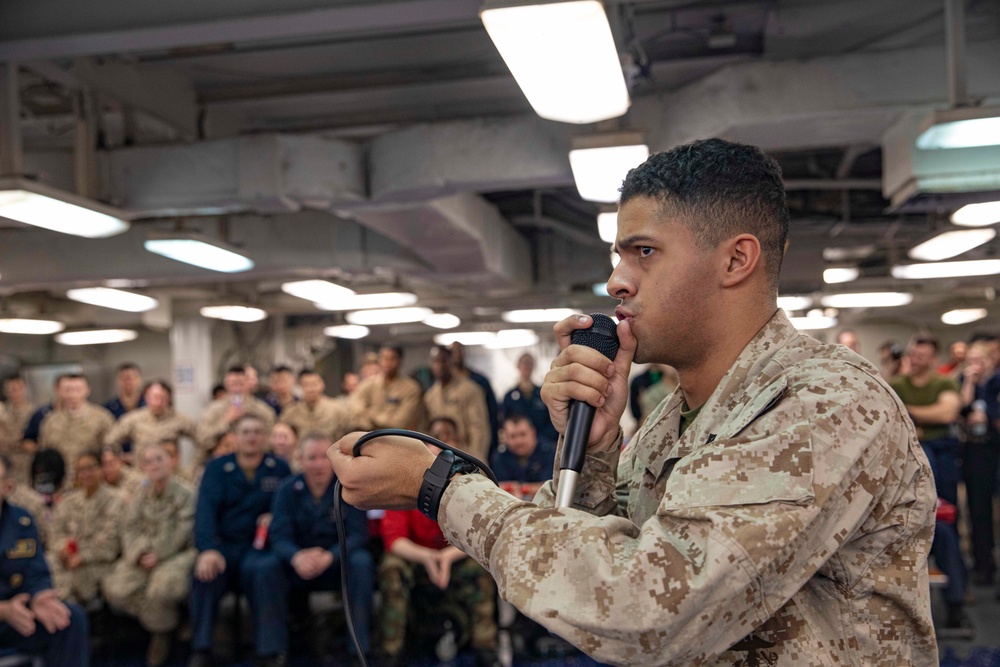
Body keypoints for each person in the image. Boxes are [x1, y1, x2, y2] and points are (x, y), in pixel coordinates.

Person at [330, 138, 937, 666]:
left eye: (643, 251)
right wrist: (593, 451)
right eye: (619, 256)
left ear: (735, 259)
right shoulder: (672, 421)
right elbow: (582, 587)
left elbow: (647, 609)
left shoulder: (823, 402)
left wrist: (440, 486)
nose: (617, 280)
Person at [377, 418, 499, 667]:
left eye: (448, 441)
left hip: (455, 555)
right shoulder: (404, 482)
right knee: (391, 568)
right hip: (416, 557)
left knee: (482, 568)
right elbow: (394, 539)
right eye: (435, 441)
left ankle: (486, 648)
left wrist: (445, 557)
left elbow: (481, 534)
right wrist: (429, 558)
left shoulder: (474, 481)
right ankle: (390, 651)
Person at [254, 433, 374, 660]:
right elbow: (278, 535)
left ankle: (358, 650)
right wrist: (296, 556)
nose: (319, 464)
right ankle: (272, 653)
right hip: (299, 565)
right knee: (266, 567)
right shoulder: (287, 489)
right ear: (300, 460)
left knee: (362, 562)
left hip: (337, 564)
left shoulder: (348, 488)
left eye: (323, 457)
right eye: (311, 458)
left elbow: (359, 534)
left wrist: (330, 556)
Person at [189, 414, 292, 667]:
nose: (251, 437)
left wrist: (274, 516)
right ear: (235, 437)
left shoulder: (279, 468)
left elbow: (289, 511)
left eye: (257, 431)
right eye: (245, 432)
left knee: (266, 571)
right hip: (224, 547)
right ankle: (201, 648)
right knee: (203, 575)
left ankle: (271, 651)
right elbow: (204, 513)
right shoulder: (216, 468)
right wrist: (207, 549)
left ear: (265, 437)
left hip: (261, 548)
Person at [889, 333, 970, 634]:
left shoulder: (943, 383)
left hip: (942, 461)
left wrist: (908, 413)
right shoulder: (896, 384)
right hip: (905, 465)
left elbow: (948, 411)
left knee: (944, 528)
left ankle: (956, 603)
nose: (917, 359)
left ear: (932, 358)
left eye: (923, 356)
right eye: (914, 354)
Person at [103, 442, 197, 667]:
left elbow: (184, 531)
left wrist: (159, 554)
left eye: (160, 459)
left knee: (161, 587)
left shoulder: (186, 493)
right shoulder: (140, 493)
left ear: (172, 461)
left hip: (179, 553)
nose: (154, 465)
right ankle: (166, 622)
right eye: (148, 461)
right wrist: (139, 554)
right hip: (143, 554)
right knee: (115, 588)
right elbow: (129, 527)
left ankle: (161, 636)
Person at [0, 454, 90, 666]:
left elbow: (35, 570)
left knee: (69, 619)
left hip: (17, 615)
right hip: (7, 612)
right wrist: (4, 610)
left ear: (7, 487)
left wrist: (39, 595)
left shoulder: (21, 521)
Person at [48, 450, 124, 604]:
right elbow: (55, 532)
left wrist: (83, 556)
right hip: (68, 558)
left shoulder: (116, 500)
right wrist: (63, 549)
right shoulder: (68, 501)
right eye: (81, 470)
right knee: (47, 562)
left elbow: (110, 543)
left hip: (100, 562)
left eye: (90, 468)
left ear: (101, 469)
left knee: (78, 578)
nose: (86, 474)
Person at [959, 341, 999, 587]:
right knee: (978, 511)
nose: (976, 364)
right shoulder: (965, 383)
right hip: (975, 450)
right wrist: (969, 382)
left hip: (995, 448)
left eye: (980, 359)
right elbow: (961, 409)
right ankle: (983, 566)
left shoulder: (996, 383)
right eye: (971, 359)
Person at [27, 373, 115, 483]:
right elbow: (45, 453)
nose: (73, 394)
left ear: (87, 390)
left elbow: (111, 452)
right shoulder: (50, 421)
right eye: (68, 390)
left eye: (77, 389)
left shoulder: (102, 418)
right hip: (60, 481)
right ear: (60, 391)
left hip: (91, 480)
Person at [424, 346, 490, 463]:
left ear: (451, 362)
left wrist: (476, 460)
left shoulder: (470, 390)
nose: (439, 366)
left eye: (443, 361)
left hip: (465, 453)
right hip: (438, 457)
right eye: (435, 361)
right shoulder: (430, 396)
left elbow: (478, 429)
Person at [196, 366, 275, 460]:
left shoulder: (263, 411)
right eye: (233, 384)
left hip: (254, 460)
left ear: (248, 384)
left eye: (241, 384)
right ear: (226, 385)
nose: (237, 389)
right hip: (219, 460)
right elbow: (202, 440)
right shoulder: (212, 410)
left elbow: (271, 442)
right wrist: (225, 421)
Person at [105, 380, 197, 461]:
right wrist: (122, 460)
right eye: (154, 398)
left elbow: (202, 440)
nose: (158, 403)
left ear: (168, 399)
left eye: (162, 398)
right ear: (146, 398)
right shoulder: (133, 419)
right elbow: (110, 441)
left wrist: (193, 467)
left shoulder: (178, 419)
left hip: (169, 475)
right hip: (140, 475)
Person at [350, 344, 425, 431]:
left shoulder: (411, 388)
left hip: (400, 440)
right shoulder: (367, 385)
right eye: (384, 358)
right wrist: (384, 419)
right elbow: (355, 412)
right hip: (369, 437)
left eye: (392, 358)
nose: (387, 362)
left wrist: (370, 415)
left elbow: (400, 422)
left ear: (400, 360)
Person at [450, 343, 499, 458]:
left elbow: (492, 413)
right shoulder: (438, 389)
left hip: (477, 441)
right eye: (453, 353)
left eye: (459, 352)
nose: (456, 356)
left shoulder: (479, 381)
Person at [491, 414, 555, 500]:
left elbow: (552, 487)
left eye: (523, 434)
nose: (519, 441)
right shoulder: (500, 457)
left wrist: (521, 488)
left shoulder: (550, 453)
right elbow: (495, 487)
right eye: (513, 436)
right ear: (505, 437)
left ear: (533, 432)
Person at [280, 369, 352, 444]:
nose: (311, 389)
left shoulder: (338, 409)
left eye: (314, 384)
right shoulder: (291, 412)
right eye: (306, 385)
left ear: (322, 384)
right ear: (299, 387)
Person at [501, 353, 557, 444]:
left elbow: (551, 420)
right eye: (524, 363)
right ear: (518, 366)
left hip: (543, 444)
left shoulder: (543, 393)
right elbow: (505, 423)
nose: (526, 367)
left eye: (529, 363)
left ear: (534, 366)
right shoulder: (509, 397)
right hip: (518, 444)